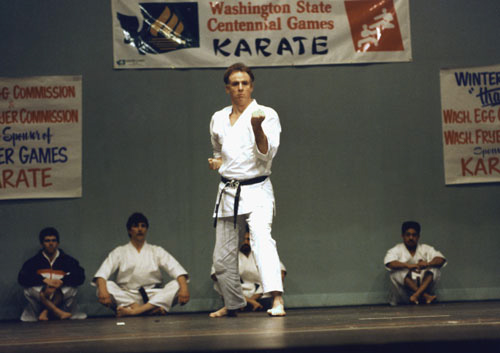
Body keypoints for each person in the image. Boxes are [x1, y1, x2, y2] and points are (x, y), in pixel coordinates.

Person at [208, 62, 285, 317]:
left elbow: (266, 155)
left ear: (251, 86)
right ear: (226, 89)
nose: (240, 88)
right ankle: (233, 303)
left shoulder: (266, 114)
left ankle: (276, 299)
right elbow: (219, 152)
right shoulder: (218, 118)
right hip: (228, 191)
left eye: (244, 83)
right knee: (221, 255)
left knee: (262, 240)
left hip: (257, 189)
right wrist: (217, 161)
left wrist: (256, 128)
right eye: (235, 84)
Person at [92, 212, 190, 317]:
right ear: (129, 230)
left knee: (177, 284)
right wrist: (103, 291)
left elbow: (177, 269)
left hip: (153, 296)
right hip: (127, 296)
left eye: (143, 226)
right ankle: (148, 310)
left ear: (146, 229)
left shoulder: (156, 250)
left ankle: (134, 311)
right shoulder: (119, 251)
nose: (140, 229)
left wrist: (184, 289)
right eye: (136, 226)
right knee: (105, 286)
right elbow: (102, 274)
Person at [210, 225, 286, 317]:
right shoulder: (228, 256)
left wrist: (254, 299)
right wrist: (247, 300)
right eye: (243, 239)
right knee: (221, 274)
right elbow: (216, 276)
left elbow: (281, 273)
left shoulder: (263, 253)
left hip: (262, 298)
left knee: (275, 273)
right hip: (235, 299)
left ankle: (277, 303)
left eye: (248, 240)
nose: (246, 242)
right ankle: (231, 306)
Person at [18, 227, 86, 322]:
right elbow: (22, 278)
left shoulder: (68, 260)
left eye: (53, 240)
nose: (51, 244)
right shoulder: (33, 261)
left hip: (60, 294)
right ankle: (57, 312)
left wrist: (62, 281)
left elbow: (80, 277)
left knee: (71, 289)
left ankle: (46, 312)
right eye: (47, 241)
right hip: (42, 294)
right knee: (30, 290)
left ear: (58, 243)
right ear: (42, 243)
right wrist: (44, 281)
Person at [384, 221, 447, 305]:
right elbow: (389, 263)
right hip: (403, 297)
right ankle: (424, 295)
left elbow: (441, 259)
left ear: (418, 237)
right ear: (402, 236)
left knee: (434, 269)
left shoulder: (425, 249)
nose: (411, 238)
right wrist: (408, 266)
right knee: (397, 271)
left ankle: (417, 295)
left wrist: (428, 264)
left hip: (424, 295)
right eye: (408, 235)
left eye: (414, 235)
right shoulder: (396, 249)